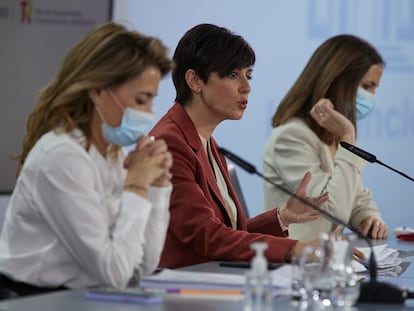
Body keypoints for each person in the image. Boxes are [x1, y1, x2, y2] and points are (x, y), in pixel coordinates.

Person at [0, 21, 173, 297]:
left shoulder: (112, 153)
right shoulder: (62, 156)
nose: (149, 113)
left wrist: (157, 189)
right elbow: (114, 273)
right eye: (141, 100)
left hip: (81, 297)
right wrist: (137, 185)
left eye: (152, 100)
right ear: (98, 92)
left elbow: (139, 268)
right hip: (35, 300)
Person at [150, 23, 329, 269]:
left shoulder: (206, 141)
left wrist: (281, 217)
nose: (247, 87)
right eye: (233, 75)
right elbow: (207, 237)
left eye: (248, 75)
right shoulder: (170, 143)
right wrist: (295, 248)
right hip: (182, 293)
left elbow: (228, 231)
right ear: (194, 80)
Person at [263, 34, 388, 242]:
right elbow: (333, 209)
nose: (372, 96)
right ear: (338, 82)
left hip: (322, 261)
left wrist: (369, 217)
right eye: (367, 86)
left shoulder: (328, 135)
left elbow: (353, 196)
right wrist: (348, 137)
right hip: (293, 264)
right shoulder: (292, 137)